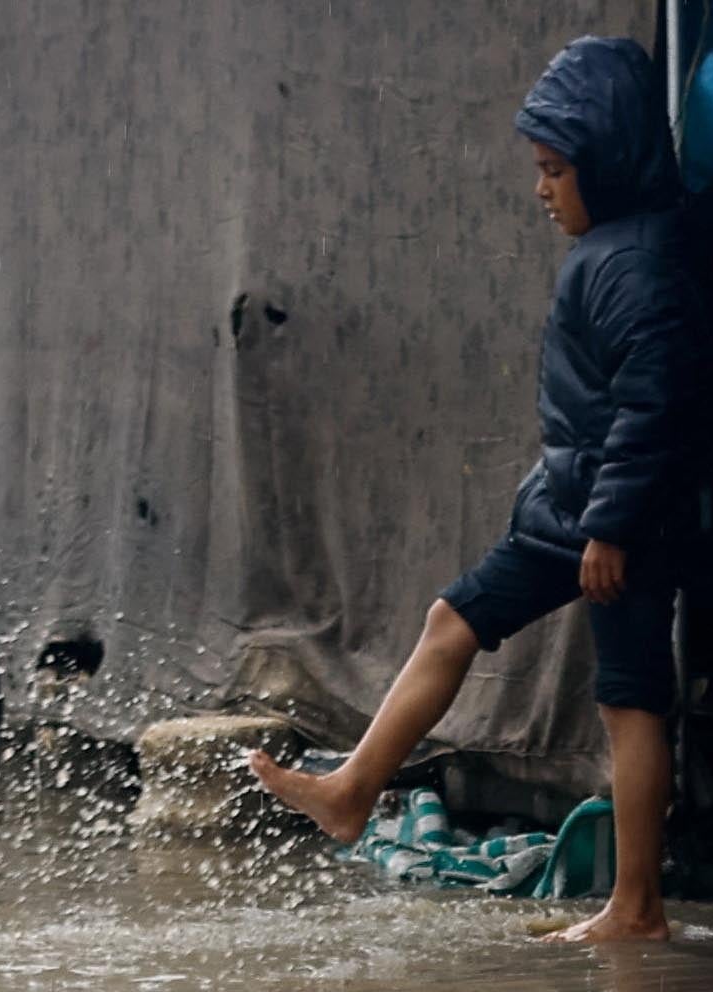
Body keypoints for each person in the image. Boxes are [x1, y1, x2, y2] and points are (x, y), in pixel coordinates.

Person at [252, 35, 689, 944]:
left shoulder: (639, 265)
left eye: (555, 171)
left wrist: (609, 526)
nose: (542, 191)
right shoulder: (618, 250)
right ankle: (353, 790)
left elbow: (651, 409)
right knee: (458, 622)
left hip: (608, 519)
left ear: (603, 166)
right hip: (576, 508)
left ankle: (636, 907)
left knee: (631, 697)